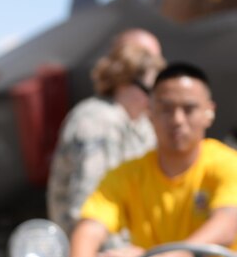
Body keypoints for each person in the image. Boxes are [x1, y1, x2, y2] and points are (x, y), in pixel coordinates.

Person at [67, 62, 237, 257]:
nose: (177, 120)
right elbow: (90, 227)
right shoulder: (127, 174)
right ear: (149, 112)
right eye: (166, 109)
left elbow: (226, 225)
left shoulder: (231, 164)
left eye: (189, 109)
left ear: (208, 112)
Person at [46, 29, 165, 235]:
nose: (155, 99)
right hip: (101, 256)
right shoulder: (98, 121)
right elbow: (87, 211)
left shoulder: (141, 124)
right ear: (126, 83)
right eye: (151, 90)